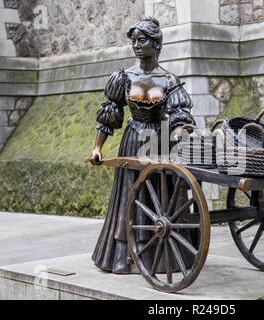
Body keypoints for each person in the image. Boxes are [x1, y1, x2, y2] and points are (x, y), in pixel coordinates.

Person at [89, 17, 196, 274]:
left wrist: (181, 134)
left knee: (161, 195)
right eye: (134, 41)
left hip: (160, 140)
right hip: (133, 139)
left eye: (142, 40)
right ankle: (128, 256)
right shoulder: (125, 77)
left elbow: (180, 115)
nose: (137, 45)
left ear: (156, 43)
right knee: (131, 193)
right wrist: (97, 147)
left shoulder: (169, 79)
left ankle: (163, 254)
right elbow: (110, 113)